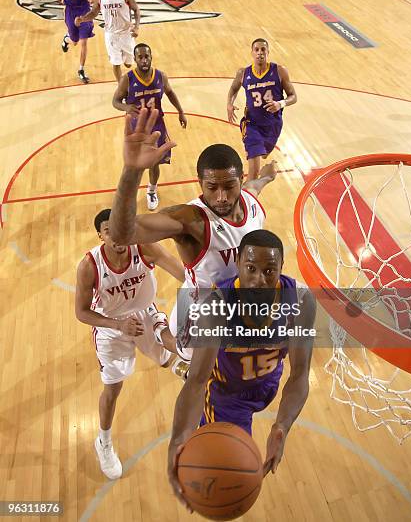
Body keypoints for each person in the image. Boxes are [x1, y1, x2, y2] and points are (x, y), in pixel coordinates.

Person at [108, 109, 278, 363]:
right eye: (212, 188)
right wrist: (132, 171)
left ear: (240, 181)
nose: (221, 197)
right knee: (184, 351)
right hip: (199, 307)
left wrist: (266, 175)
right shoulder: (190, 219)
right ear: (200, 184)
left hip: (237, 303)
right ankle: (157, 326)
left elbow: (257, 185)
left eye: (229, 187)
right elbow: (122, 234)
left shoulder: (250, 200)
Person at [167, 229, 316, 508]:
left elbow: (299, 374)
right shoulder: (218, 306)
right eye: (251, 268)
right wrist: (178, 439)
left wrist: (281, 425)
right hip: (226, 397)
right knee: (226, 476)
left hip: (268, 384)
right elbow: (197, 382)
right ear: (237, 263)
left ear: (282, 269)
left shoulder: (300, 301)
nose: (259, 280)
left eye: (270, 270)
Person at [75, 208, 185, 480]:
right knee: (113, 390)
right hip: (111, 327)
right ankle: (104, 441)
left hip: (145, 312)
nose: (116, 235)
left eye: (120, 227)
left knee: (172, 349)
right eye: (108, 230)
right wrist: (117, 325)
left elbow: (180, 271)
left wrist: (207, 288)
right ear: (100, 235)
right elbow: (82, 313)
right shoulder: (89, 266)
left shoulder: (144, 247)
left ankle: (180, 360)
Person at [112, 43, 187, 210]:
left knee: (154, 163)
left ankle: (152, 189)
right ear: (135, 59)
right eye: (140, 57)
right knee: (134, 164)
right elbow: (115, 101)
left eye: (147, 56)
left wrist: (181, 111)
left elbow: (170, 92)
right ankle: (129, 190)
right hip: (137, 128)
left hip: (157, 125)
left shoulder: (160, 76)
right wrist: (126, 107)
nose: (144, 60)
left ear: (151, 57)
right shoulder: (127, 79)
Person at [227, 38, 297, 181]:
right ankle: (245, 199)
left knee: (264, 154)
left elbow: (293, 96)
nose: (260, 53)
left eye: (263, 49)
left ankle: (258, 154)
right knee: (253, 173)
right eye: (256, 50)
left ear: (268, 52)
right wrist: (229, 104)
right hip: (251, 125)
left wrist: (280, 104)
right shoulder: (243, 73)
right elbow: (233, 89)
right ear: (252, 53)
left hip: (273, 124)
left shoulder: (279, 71)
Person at [75, 0, 140, 83]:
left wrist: (137, 26)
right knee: (116, 63)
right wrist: (83, 19)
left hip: (126, 33)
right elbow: (94, 12)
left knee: (129, 64)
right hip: (111, 35)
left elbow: (136, 9)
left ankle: (126, 73)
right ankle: (121, 88)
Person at [54, 0, 95, 84]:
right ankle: (67, 39)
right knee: (75, 41)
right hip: (71, 10)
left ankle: (81, 70)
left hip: (84, 10)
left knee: (84, 41)